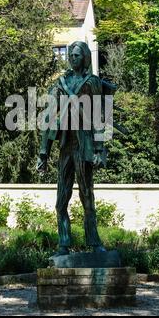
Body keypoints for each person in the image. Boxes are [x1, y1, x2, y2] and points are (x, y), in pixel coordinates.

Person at [37, 41, 106, 256]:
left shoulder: (92, 82)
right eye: (71, 55)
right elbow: (49, 117)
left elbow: (99, 116)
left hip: (84, 145)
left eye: (77, 55)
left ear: (84, 57)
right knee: (61, 200)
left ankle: (94, 244)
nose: (73, 58)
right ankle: (63, 245)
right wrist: (44, 152)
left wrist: (100, 150)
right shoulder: (62, 82)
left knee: (87, 197)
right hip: (66, 146)